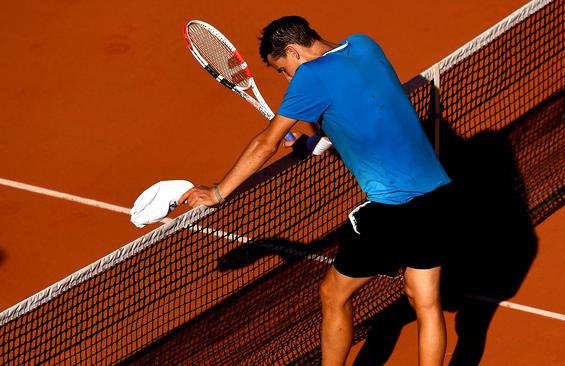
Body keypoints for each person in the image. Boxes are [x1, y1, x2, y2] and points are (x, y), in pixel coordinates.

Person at [180, 16, 452, 366]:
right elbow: (369, 104)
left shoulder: (309, 77)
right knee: (426, 301)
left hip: (391, 208)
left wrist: (218, 192)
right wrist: (323, 136)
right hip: (436, 194)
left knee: (332, 295)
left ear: (293, 51)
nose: (287, 78)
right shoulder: (364, 44)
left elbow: (266, 143)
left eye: (282, 69)